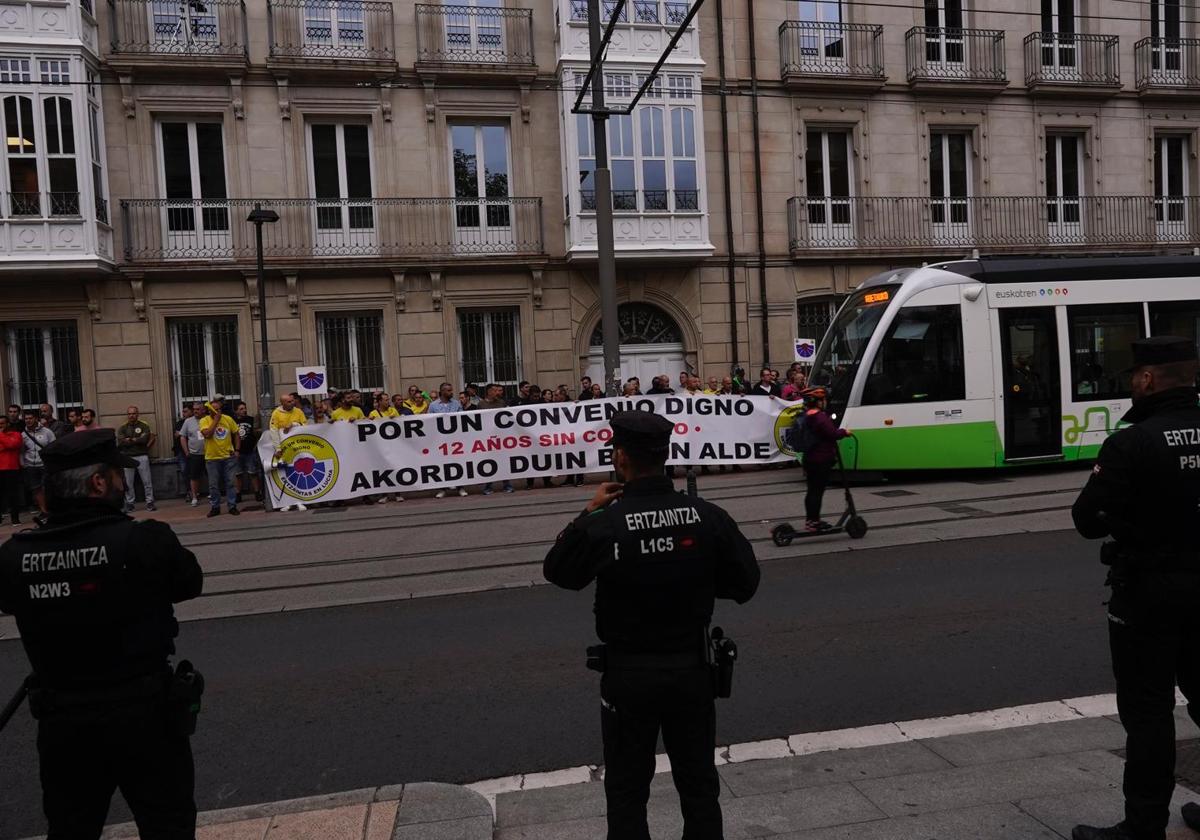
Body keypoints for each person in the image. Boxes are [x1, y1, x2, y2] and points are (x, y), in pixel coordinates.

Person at [543, 410, 760, 840]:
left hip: (630, 676)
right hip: (691, 672)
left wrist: (587, 511)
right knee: (699, 786)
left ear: (620, 458)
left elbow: (560, 572)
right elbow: (745, 583)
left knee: (626, 791)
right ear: (666, 456)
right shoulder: (707, 516)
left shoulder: (606, 523)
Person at [0, 428, 204, 839]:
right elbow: (188, 583)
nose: (120, 483)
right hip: (143, 715)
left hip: (63, 720)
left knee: (72, 826)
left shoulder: (14, 555)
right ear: (98, 482)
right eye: (116, 475)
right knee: (168, 825)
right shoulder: (143, 539)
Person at [1070, 336, 1200, 840]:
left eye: (1133, 376)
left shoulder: (1133, 441)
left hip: (1149, 594)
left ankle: (1144, 826)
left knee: (1148, 713)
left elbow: (1087, 520)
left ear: (1147, 380)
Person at [796, 387, 851, 532]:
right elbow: (832, 434)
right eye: (823, 400)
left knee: (812, 491)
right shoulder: (819, 417)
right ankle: (814, 522)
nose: (825, 402)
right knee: (817, 492)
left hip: (810, 458)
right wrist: (844, 432)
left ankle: (811, 521)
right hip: (820, 459)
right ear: (818, 402)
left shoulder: (806, 415)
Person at [199, 398, 240, 518]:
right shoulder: (204, 420)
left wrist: (237, 450)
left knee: (231, 482)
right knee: (213, 485)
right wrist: (216, 421)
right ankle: (215, 507)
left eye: (219, 409)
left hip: (228, 457)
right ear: (210, 411)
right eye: (216, 410)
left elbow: (236, 434)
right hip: (212, 458)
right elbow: (207, 434)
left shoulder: (228, 419)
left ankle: (232, 506)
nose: (219, 411)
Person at [269, 393, 308, 512]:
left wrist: (294, 425)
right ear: (283, 403)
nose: (293, 403)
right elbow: (274, 431)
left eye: (292, 401)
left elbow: (305, 425)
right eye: (289, 402)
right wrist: (278, 449)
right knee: (285, 476)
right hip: (284, 450)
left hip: (298, 449)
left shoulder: (299, 412)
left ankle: (299, 501)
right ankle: (288, 502)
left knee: (299, 474)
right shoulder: (276, 413)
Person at [117, 405, 157, 513]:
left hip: (142, 456)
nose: (131, 416)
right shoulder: (123, 427)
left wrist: (129, 440)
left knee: (147, 481)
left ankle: (150, 502)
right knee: (128, 483)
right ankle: (130, 503)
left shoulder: (144, 425)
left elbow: (144, 439)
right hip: (127, 457)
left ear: (137, 414)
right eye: (129, 414)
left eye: (133, 413)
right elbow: (120, 441)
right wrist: (135, 440)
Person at [479, 384, 514, 495]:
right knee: (489, 462)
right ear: (489, 392)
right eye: (494, 391)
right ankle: (488, 486)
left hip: (501, 437)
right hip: (488, 438)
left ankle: (507, 484)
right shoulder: (481, 404)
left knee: (504, 461)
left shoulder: (501, 403)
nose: (497, 393)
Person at [21, 410, 54, 525]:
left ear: (36, 419)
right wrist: (23, 463)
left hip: (44, 464)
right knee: (36, 488)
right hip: (30, 465)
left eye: (30, 418)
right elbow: (22, 450)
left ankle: (52, 509)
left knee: (47, 487)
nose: (28, 421)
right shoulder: (23, 434)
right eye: (26, 419)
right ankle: (44, 511)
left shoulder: (47, 432)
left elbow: (53, 446)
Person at [233, 402, 263, 504]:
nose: (244, 410)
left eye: (244, 408)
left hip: (250, 451)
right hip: (237, 452)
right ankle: (238, 494)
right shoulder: (233, 421)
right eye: (241, 409)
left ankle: (257, 492)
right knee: (238, 474)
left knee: (253, 473)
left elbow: (255, 433)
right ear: (236, 411)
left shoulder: (251, 419)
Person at [178, 402, 206, 508]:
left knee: (212, 475)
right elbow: (182, 437)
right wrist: (186, 452)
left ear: (203, 410)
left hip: (209, 453)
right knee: (194, 476)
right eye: (194, 409)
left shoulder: (208, 419)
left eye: (198, 409)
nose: (195, 411)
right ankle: (194, 497)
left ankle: (213, 495)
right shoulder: (188, 421)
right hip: (195, 454)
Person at [0, 415, 23, 525]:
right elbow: (7, 445)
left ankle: (15, 518)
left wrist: (1, 437)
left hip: (11, 467)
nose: (0, 426)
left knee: (13, 494)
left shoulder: (16, 434)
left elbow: (12, 444)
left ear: (8, 424)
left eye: (2, 423)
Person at [172, 404, 193, 500]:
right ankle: (189, 491)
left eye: (186, 411)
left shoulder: (195, 422)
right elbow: (177, 435)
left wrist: (182, 433)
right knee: (184, 471)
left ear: (191, 412)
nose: (183, 413)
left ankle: (196, 491)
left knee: (197, 471)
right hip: (181, 451)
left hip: (194, 450)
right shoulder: (180, 423)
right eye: (183, 411)